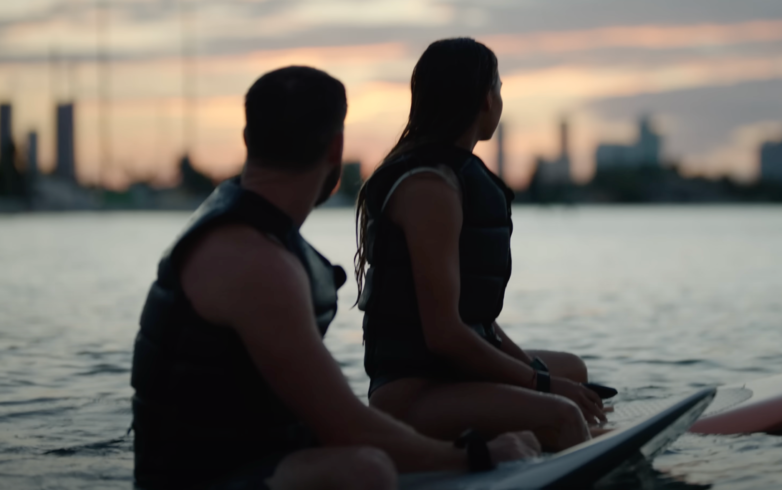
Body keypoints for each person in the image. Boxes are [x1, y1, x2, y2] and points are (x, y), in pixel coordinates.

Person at [130, 66, 538, 490]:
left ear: (249, 141)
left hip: (240, 460)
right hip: (198, 481)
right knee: (364, 470)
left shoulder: (237, 227)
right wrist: (479, 455)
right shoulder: (257, 264)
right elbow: (349, 427)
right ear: (335, 148)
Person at [355, 38, 608, 453]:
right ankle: (577, 440)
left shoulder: (454, 176)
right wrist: (544, 386)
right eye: (500, 89)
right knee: (562, 413)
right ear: (486, 100)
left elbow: (477, 323)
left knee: (574, 371)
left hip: (453, 377)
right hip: (413, 396)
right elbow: (444, 336)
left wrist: (547, 378)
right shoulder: (429, 187)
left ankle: (557, 436)